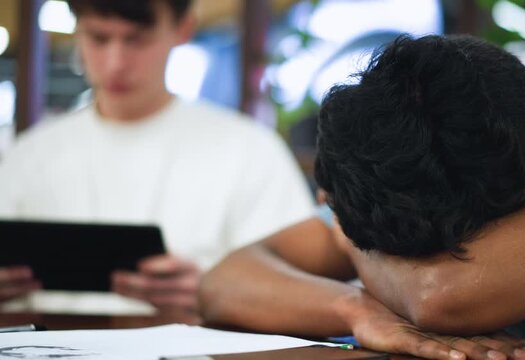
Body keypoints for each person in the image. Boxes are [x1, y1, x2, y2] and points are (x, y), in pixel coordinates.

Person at [199, 35, 525, 359]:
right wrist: (357, 310)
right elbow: (224, 282)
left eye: (493, 226)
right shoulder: (421, 145)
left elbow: (439, 297)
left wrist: (351, 233)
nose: (448, 255)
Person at [0, 0, 315, 315]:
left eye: (136, 39)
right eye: (98, 38)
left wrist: (216, 294)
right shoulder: (30, 154)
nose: (115, 63)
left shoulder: (250, 149)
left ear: (183, 29)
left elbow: (302, 281)